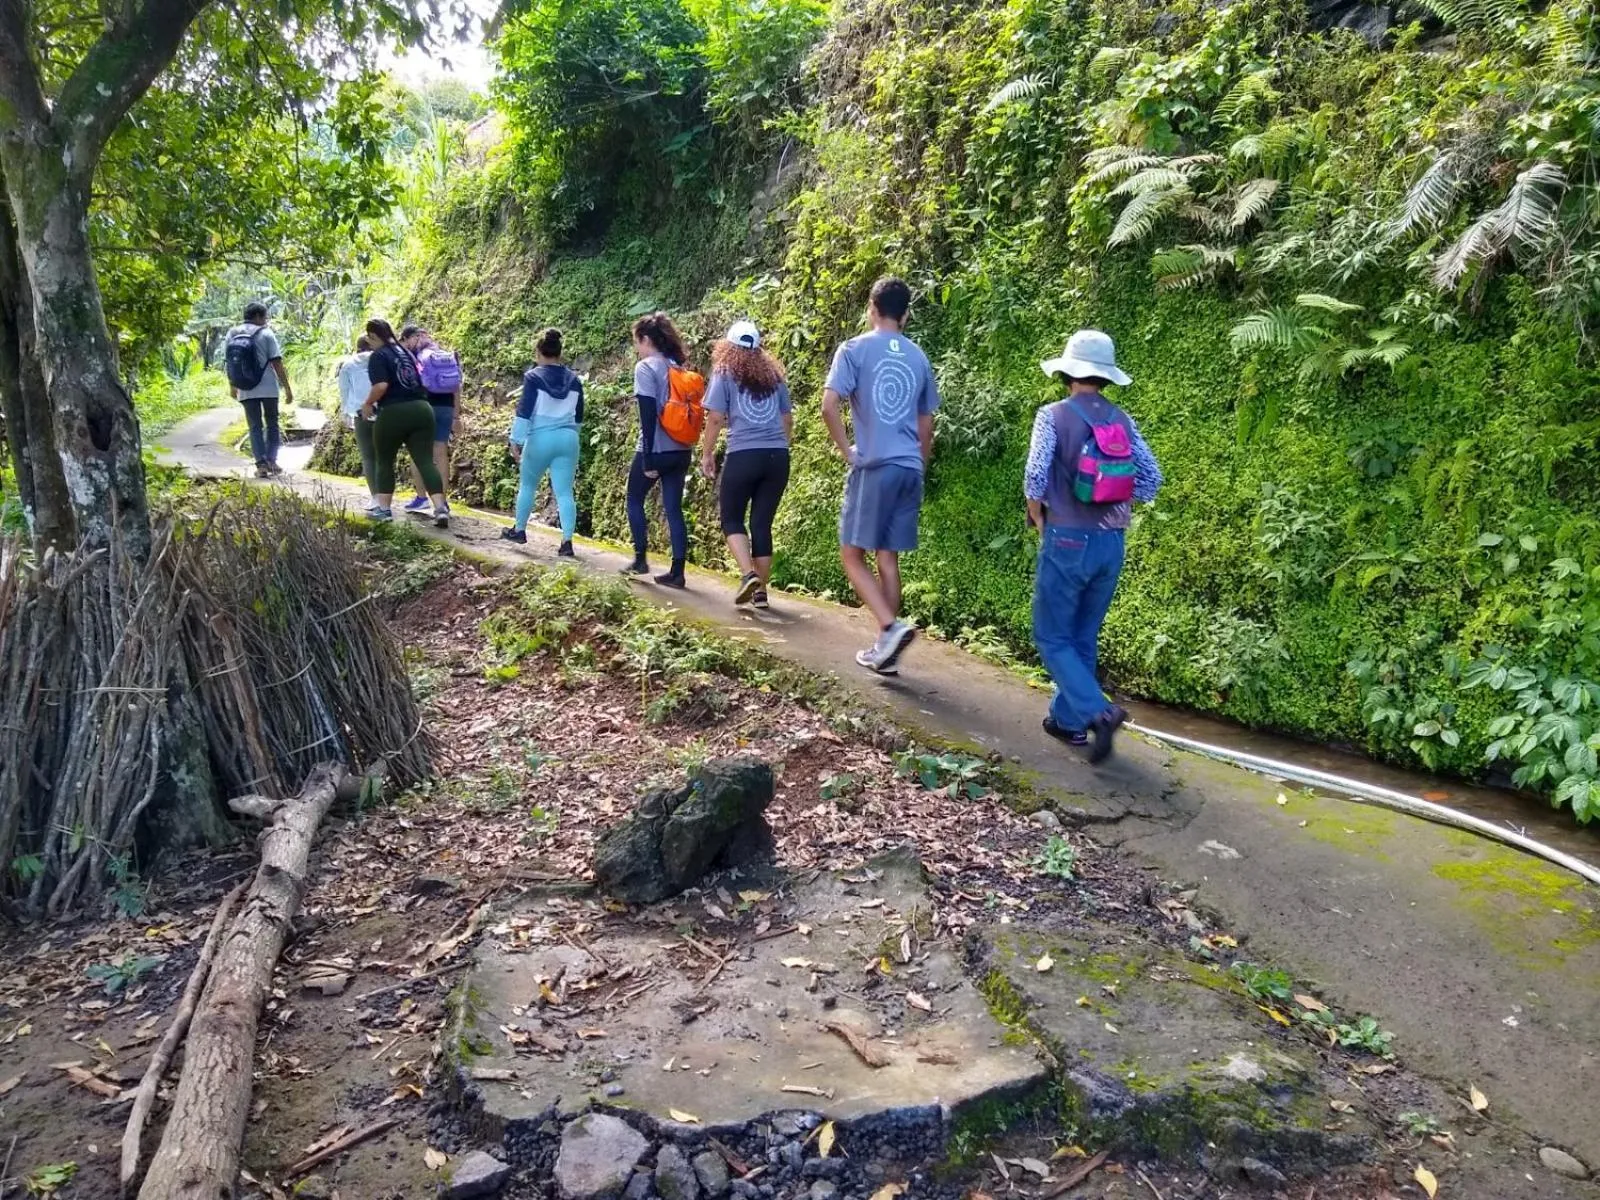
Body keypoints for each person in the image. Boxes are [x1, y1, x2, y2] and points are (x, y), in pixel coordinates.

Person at [1024, 328, 1163, 763]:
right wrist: (1110, 498)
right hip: (1111, 543)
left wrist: (1037, 513)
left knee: (1051, 635)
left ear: (1068, 373)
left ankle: (1099, 713)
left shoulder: (1052, 415)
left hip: (1066, 539)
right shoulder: (1123, 421)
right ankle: (1068, 722)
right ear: (1106, 377)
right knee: (1082, 634)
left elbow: (1035, 476)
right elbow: (1151, 481)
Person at [820, 277, 940, 674]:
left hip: (875, 466)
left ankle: (890, 628)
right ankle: (885, 653)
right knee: (887, 556)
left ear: (871, 309)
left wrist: (848, 452)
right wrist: (919, 466)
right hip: (909, 467)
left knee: (851, 554)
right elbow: (927, 423)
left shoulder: (854, 350)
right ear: (905, 315)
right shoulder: (919, 357)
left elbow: (828, 406)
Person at [700, 320, 791, 609]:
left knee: (732, 518)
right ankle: (761, 593)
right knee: (762, 523)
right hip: (777, 457)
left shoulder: (725, 372)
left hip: (743, 454)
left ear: (728, 346)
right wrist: (781, 448)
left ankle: (749, 574)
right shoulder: (774, 376)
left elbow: (716, 418)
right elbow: (787, 419)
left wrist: (707, 453)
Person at [624, 312, 695, 588]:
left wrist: (648, 456)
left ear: (645, 339)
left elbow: (647, 412)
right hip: (682, 449)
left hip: (656, 449)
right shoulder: (677, 366)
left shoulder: (646, 368)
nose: (637, 349)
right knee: (674, 509)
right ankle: (677, 572)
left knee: (634, 498)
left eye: (637, 342)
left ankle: (640, 559)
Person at [501, 327, 583, 556]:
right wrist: (572, 434)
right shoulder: (574, 380)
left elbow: (524, 411)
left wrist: (516, 440)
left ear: (538, 352)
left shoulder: (533, 377)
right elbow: (579, 416)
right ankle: (567, 543)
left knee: (528, 485)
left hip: (540, 438)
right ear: (560, 353)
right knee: (565, 492)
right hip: (568, 438)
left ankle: (519, 530)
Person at [360, 318, 449, 527]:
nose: (369, 343)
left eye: (369, 339)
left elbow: (381, 385)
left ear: (373, 336)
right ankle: (440, 508)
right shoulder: (405, 352)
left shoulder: (379, 356)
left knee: (384, 460)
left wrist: (368, 403)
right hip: (422, 409)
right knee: (425, 460)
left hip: (394, 411)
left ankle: (384, 510)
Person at [223, 301, 293, 478]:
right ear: (257, 316)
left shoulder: (232, 333)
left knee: (254, 426)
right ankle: (272, 461)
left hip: (245, 388)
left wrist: (232, 386)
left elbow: (229, 363)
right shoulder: (266, 333)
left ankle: (261, 465)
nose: (266, 321)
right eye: (265, 317)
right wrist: (287, 388)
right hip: (268, 387)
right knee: (272, 423)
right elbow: (277, 363)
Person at [399, 325, 462, 513]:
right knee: (441, 453)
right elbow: (457, 387)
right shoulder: (446, 356)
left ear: (411, 338)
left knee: (418, 452)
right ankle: (442, 501)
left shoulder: (416, 358)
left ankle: (422, 498)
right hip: (446, 408)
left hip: (425, 407)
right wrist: (456, 416)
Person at [336, 334, 380, 513]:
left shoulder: (348, 365)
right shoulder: (381, 360)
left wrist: (346, 414)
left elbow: (344, 392)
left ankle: (375, 498)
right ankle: (386, 496)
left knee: (368, 457)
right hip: (383, 412)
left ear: (357, 347)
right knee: (383, 456)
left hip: (360, 414)